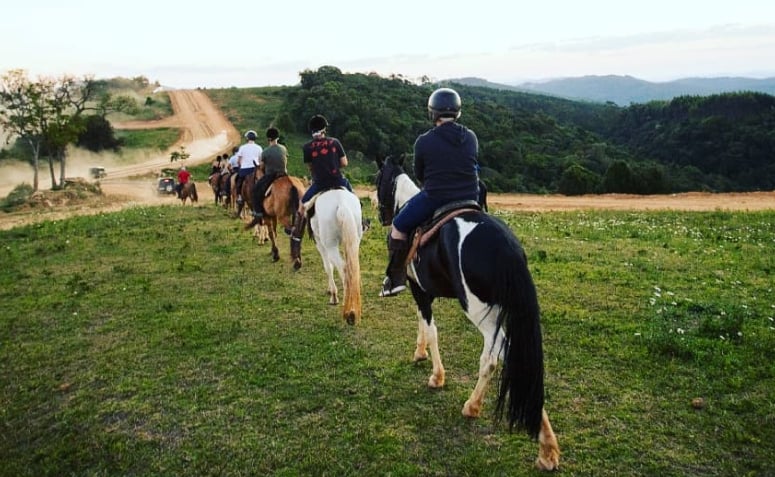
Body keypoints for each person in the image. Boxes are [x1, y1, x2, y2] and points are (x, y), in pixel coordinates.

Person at [379, 87, 480, 297]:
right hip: (471, 198)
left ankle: (396, 278)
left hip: (436, 197)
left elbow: (420, 175)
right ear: (458, 112)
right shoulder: (471, 137)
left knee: (398, 226)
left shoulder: (423, 141)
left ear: (432, 113)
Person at [299, 114, 353, 205]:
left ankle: (299, 218)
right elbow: (344, 163)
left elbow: (311, 167)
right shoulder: (335, 142)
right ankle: (362, 218)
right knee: (355, 201)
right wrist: (333, 165)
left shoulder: (307, 147)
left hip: (319, 183)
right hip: (338, 180)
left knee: (302, 205)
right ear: (324, 129)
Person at [250, 127, 288, 220]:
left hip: (271, 175)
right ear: (277, 138)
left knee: (255, 190)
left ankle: (258, 212)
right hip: (284, 174)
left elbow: (262, 167)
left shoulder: (265, 151)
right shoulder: (283, 148)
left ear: (268, 139)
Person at [235, 130, 262, 204]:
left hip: (244, 170)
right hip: (255, 170)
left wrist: (240, 165)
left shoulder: (242, 147)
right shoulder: (259, 148)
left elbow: (239, 161)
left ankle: (239, 196)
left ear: (247, 138)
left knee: (238, 181)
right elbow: (260, 161)